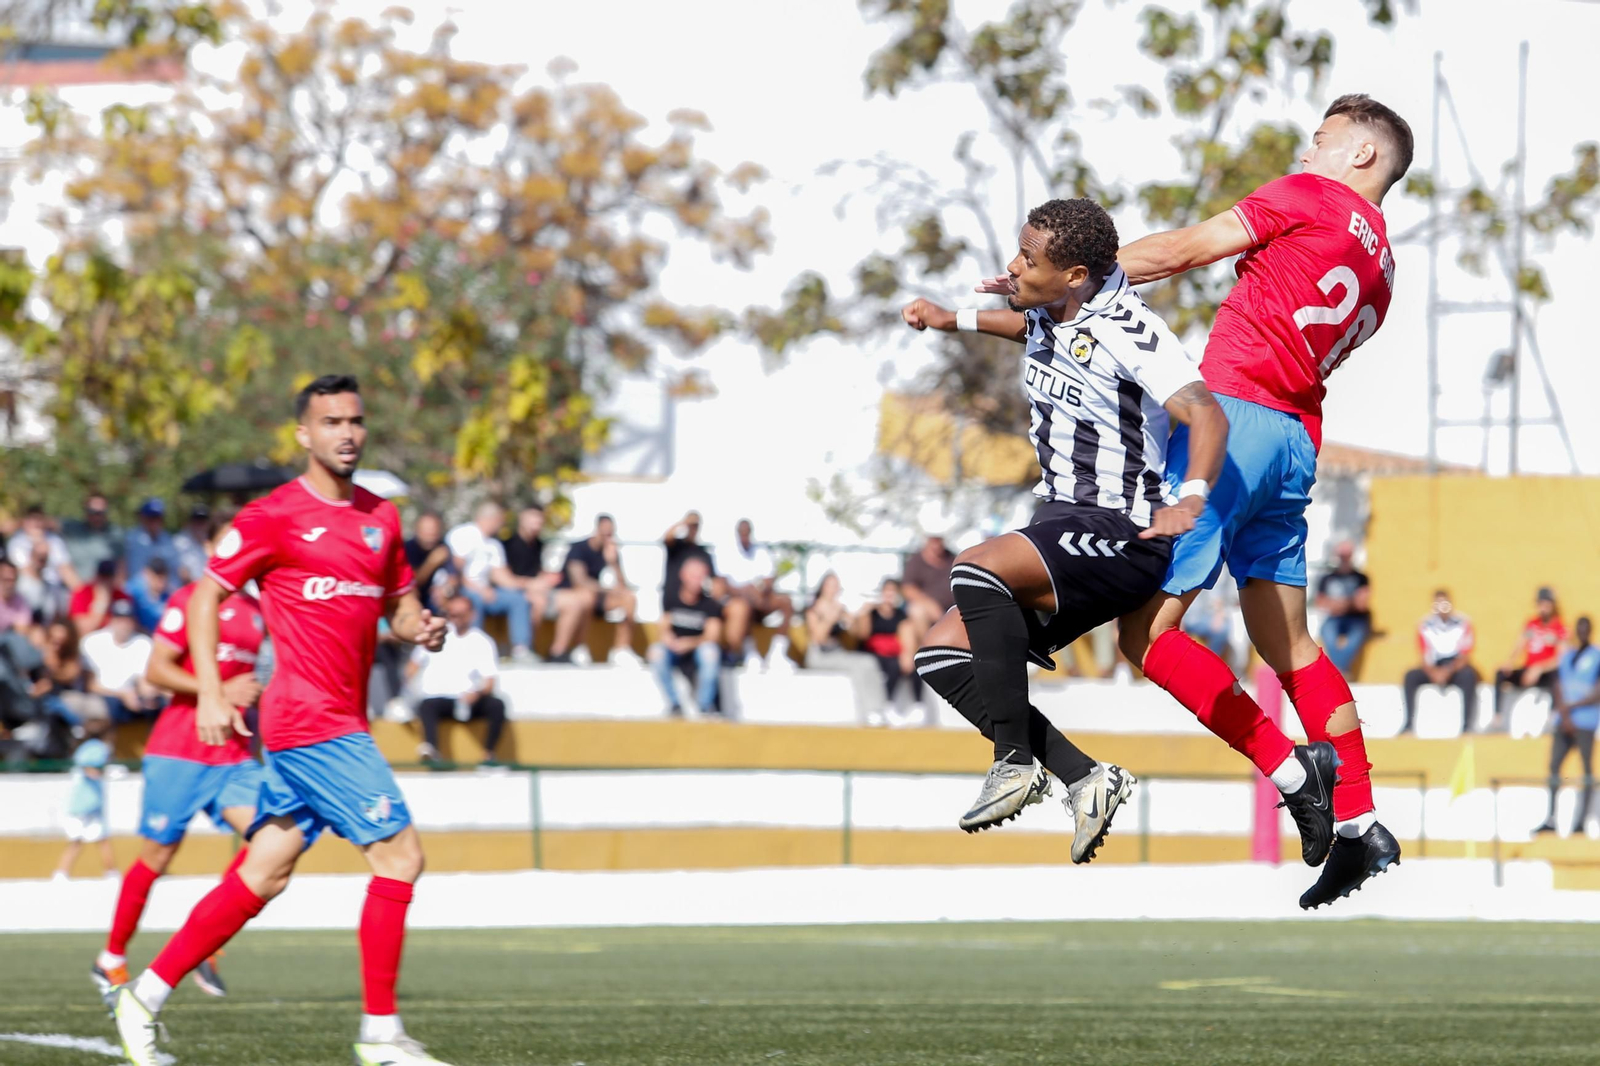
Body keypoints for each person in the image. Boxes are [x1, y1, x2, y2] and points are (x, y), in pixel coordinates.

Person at [980, 95, 1411, 906]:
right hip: (1294, 441)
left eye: (1321, 140)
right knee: (1291, 645)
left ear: (1359, 155)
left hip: (1236, 420)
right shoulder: (1385, 261)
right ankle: (1359, 823)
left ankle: (1292, 775)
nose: (1307, 150)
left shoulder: (1313, 195)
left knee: (1149, 636)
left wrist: (1063, 289)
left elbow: (1184, 250)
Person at [110, 374, 451, 1066]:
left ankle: (142, 993)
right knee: (400, 857)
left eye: (355, 421)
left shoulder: (381, 519)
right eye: (330, 422)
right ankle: (380, 1035)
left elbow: (399, 605)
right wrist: (209, 690)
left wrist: (421, 627)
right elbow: (206, 596)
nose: (347, 433)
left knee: (265, 870)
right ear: (304, 434)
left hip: (339, 718)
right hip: (308, 720)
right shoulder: (273, 517)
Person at [902, 196, 1229, 862]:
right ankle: (1085, 777)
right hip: (1061, 524)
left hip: (1122, 530)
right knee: (942, 654)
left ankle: (1014, 763)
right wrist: (950, 319)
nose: (1013, 265)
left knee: (976, 566)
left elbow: (1208, 415)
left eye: (1029, 257)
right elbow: (1031, 332)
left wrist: (1191, 496)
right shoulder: (1053, 310)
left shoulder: (1130, 328)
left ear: (1076, 274)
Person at [92, 559, 266, 1002]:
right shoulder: (191, 599)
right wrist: (220, 692)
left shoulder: (256, 609)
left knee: (271, 840)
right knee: (157, 856)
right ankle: (111, 957)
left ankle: (206, 944)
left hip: (232, 753)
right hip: (180, 751)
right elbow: (157, 671)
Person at [407, 594, 506, 764]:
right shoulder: (437, 634)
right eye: (452, 614)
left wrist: (477, 693)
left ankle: (488, 755)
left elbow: (490, 680)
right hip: (438, 698)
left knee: (497, 705)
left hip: (469, 700)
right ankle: (431, 749)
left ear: (472, 614)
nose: (456, 619)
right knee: (427, 705)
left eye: (460, 614)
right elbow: (411, 667)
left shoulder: (482, 641)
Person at [1534, 617, 1600, 836]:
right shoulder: (1567, 655)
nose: (1581, 633)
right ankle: (1550, 818)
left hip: (1586, 721)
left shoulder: (1596, 656)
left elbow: (1597, 691)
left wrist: (1573, 706)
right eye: (1578, 629)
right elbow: (1558, 684)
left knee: (1586, 771)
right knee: (1554, 766)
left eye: (1585, 630)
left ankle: (1581, 822)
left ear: (1589, 631)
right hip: (1564, 721)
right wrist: (1565, 711)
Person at [446, 502, 535, 662]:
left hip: (486, 591)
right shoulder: (464, 534)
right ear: (492, 518)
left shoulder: (493, 544)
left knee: (518, 600)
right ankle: (473, 652)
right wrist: (480, 590)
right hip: (464, 589)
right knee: (473, 601)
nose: (502, 525)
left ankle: (521, 649)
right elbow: (455, 570)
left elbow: (501, 576)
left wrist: (528, 584)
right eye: (501, 520)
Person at [554, 515, 642, 667]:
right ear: (597, 530)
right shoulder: (578, 548)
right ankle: (579, 647)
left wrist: (613, 563)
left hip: (599, 597)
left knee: (629, 598)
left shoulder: (610, 552)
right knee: (587, 596)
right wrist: (608, 590)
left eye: (610, 534)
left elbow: (623, 586)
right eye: (605, 533)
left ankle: (621, 650)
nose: (607, 537)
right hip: (575, 596)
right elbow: (579, 582)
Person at [803, 572, 885, 722]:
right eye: (832, 586)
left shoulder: (839, 608)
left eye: (837, 586)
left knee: (869, 662)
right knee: (860, 666)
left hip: (837, 653)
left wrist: (861, 614)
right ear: (823, 587)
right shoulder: (814, 610)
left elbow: (858, 633)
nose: (835, 590)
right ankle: (869, 711)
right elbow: (818, 638)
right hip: (820, 656)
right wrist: (831, 617)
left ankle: (876, 709)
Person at [650, 556, 723, 717]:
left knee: (710, 652)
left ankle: (704, 707)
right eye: (693, 575)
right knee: (656, 652)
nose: (697, 580)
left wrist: (689, 643)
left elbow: (712, 636)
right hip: (674, 650)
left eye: (700, 576)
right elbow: (663, 626)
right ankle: (675, 705)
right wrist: (669, 639)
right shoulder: (671, 597)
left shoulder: (710, 604)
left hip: (697, 650)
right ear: (683, 575)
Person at [719, 519, 795, 672]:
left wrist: (759, 589)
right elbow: (724, 584)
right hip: (740, 601)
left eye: (747, 533)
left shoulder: (761, 551)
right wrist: (745, 592)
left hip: (761, 598)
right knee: (744, 606)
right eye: (742, 534)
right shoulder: (726, 553)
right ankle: (750, 652)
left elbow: (769, 578)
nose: (745, 537)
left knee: (786, 602)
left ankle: (778, 653)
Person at [1401, 590, 1480, 735]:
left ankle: (1467, 726)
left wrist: (1448, 670)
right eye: (1438, 603)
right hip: (1434, 667)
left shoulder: (1463, 623)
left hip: (1455, 668)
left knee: (1469, 675)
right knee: (1410, 676)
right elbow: (1424, 655)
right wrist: (1434, 672)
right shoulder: (1424, 624)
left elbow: (1465, 656)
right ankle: (1408, 725)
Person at [853, 578, 926, 726]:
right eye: (887, 592)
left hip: (893, 653)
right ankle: (886, 704)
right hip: (872, 653)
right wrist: (865, 612)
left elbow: (906, 634)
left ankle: (918, 706)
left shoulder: (900, 615)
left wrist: (907, 654)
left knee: (912, 665)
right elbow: (862, 635)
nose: (889, 596)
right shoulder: (870, 614)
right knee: (893, 665)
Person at [1493, 587, 1567, 730]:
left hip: (1545, 673)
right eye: (1541, 604)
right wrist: (1509, 662)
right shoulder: (1531, 625)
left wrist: (1539, 668)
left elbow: (1561, 658)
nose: (1543, 608)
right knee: (1500, 673)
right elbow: (1519, 645)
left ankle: (1553, 714)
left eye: (1547, 604)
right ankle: (1498, 714)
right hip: (1528, 671)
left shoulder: (1559, 628)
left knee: (1557, 676)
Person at [81, 600, 162, 723]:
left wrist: (148, 695)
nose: (123, 625)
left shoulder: (143, 643)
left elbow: (143, 680)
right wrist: (121, 694)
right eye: (119, 619)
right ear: (111, 620)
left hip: (132, 698)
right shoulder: (92, 642)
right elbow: (89, 685)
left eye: (127, 620)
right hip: (102, 698)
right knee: (108, 707)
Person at [53, 727, 116, 880]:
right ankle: (111, 872)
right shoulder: (99, 748)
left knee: (78, 840)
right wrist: (109, 772)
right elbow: (90, 769)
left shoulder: (82, 748)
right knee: (101, 839)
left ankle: (62, 872)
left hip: (79, 804)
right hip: (89, 803)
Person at [1314, 540, 1371, 676]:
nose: (1344, 558)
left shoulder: (1361, 577)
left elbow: (1361, 604)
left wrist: (1338, 604)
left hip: (1356, 619)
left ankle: (1336, 670)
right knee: (1327, 633)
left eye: (1347, 555)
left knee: (1355, 637)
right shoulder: (1327, 578)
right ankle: (1340, 670)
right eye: (1342, 555)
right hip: (1334, 618)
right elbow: (1320, 602)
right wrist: (1347, 603)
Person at [901, 535, 956, 640]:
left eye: (938, 541)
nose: (936, 545)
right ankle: (929, 646)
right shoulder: (916, 561)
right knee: (916, 612)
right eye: (933, 541)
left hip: (950, 610)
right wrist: (930, 605)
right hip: (927, 611)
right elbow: (908, 588)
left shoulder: (951, 559)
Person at [61, 492, 123, 580]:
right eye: (92, 512)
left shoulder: (116, 534)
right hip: (77, 590)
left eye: (101, 513)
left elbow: (121, 567)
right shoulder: (72, 529)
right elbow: (44, 522)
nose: (97, 517)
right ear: (85, 511)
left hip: (106, 591)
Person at [403, 512, 454, 611]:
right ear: (417, 530)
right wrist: (431, 563)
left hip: (436, 598)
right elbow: (412, 582)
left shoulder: (442, 547)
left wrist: (446, 590)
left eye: (433, 532)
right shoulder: (408, 549)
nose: (430, 536)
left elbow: (453, 576)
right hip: (414, 597)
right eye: (427, 531)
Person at [69, 559, 132, 637]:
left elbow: (128, 625)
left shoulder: (121, 595)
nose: (105, 580)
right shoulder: (82, 593)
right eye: (103, 576)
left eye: (109, 577)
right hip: (88, 639)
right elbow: (82, 629)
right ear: (96, 575)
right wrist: (101, 603)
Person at [662, 511, 715, 603]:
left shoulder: (703, 553)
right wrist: (684, 523)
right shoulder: (676, 546)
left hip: (696, 605)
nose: (693, 528)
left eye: (695, 525)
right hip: (673, 601)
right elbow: (667, 538)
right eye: (691, 525)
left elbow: (714, 580)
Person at [123, 499, 175, 593]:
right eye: (151, 517)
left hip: (164, 591)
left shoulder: (167, 539)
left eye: (158, 517)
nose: (155, 521)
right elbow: (135, 573)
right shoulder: (133, 540)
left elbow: (173, 570)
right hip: (138, 593)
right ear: (142, 518)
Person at [170, 505, 212, 586]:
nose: (200, 525)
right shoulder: (179, 542)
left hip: (204, 589)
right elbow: (182, 573)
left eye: (203, 521)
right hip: (183, 589)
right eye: (197, 521)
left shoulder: (212, 542)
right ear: (190, 522)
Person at [128, 557, 171, 633]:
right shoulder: (133, 591)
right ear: (147, 573)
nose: (160, 581)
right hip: (137, 637)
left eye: (163, 577)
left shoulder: (168, 597)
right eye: (157, 576)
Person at [0, 559, 30, 633]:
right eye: (6, 580)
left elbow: (22, 630)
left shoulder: (20, 601)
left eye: (12, 580)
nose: (9, 585)